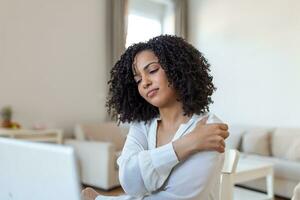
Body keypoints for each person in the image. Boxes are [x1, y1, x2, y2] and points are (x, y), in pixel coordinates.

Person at [82, 35, 229, 200]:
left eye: (152, 70)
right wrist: (185, 145)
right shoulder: (142, 125)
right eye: (137, 80)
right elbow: (130, 183)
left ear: (176, 68)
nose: (144, 83)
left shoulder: (209, 127)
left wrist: (101, 199)